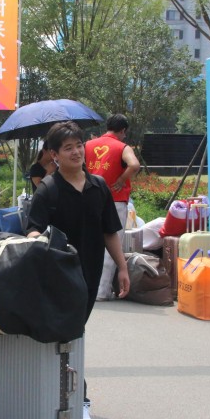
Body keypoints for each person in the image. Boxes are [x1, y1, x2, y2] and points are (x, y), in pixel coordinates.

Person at [25, 121, 129, 419]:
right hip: (58, 276)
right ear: (54, 155)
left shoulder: (99, 187)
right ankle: (77, 398)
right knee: (70, 333)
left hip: (89, 274)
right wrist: (39, 241)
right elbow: (32, 229)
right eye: (68, 148)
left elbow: (109, 232)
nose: (76, 152)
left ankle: (67, 395)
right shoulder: (49, 189)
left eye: (78, 145)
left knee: (72, 333)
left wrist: (122, 267)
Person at [84, 114, 141, 301]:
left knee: (89, 243)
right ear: (123, 130)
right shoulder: (122, 147)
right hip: (114, 200)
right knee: (111, 246)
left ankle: (86, 287)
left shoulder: (88, 145)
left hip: (89, 199)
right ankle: (101, 291)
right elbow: (134, 165)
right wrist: (122, 179)